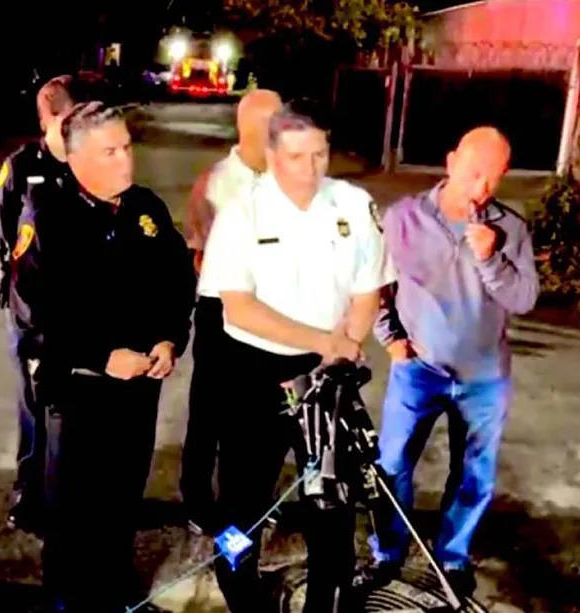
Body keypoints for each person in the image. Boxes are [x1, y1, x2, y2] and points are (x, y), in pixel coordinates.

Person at [199, 98, 394, 612]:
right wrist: (323, 341)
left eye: (320, 155)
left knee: (331, 503)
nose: (310, 170)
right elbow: (237, 309)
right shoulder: (242, 213)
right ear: (271, 153)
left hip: (328, 376)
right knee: (241, 508)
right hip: (254, 376)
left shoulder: (352, 204)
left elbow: (367, 289)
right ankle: (241, 593)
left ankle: (327, 599)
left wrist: (342, 348)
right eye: (295, 157)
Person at [10, 101, 195, 612]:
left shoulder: (145, 209)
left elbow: (179, 282)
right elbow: (33, 314)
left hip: (139, 387)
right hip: (79, 390)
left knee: (122, 498)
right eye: (109, 151)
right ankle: (69, 596)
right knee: (73, 511)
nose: (124, 161)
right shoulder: (48, 217)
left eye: (127, 147)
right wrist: (100, 354)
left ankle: (115, 589)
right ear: (75, 159)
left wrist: (169, 339)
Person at [364, 127, 538, 597]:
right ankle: (387, 552)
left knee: (474, 474)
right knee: (391, 464)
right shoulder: (404, 217)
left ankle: (452, 559)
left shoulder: (511, 228)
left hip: (484, 377)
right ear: (450, 162)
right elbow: (376, 281)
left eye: (494, 178)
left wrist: (490, 258)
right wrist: (390, 337)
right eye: (474, 172)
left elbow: (523, 298)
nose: (481, 188)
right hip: (419, 370)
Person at [180, 89, 282, 535]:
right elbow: (196, 253)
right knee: (210, 413)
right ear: (252, 129)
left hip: (275, 312)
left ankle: (250, 500)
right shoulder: (217, 182)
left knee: (262, 415)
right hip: (221, 312)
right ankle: (199, 500)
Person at [0, 75, 77, 532]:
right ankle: (30, 491)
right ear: (54, 118)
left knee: (73, 401)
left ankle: (68, 488)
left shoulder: (88, 163)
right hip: (31, 309)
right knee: (34, 399)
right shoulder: (21, 167)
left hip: (80, 305)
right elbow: (7, 239)